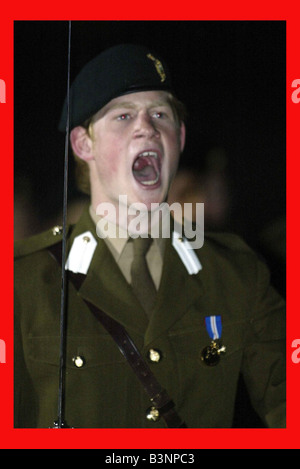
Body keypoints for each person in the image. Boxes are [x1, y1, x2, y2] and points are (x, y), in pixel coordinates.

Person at [14, 44, 286, 428]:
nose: (147, 127)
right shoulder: (23, 281)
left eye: (161, 114)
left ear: (180, 137)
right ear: (82, 144)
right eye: (123, 116)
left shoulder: (237, 273)